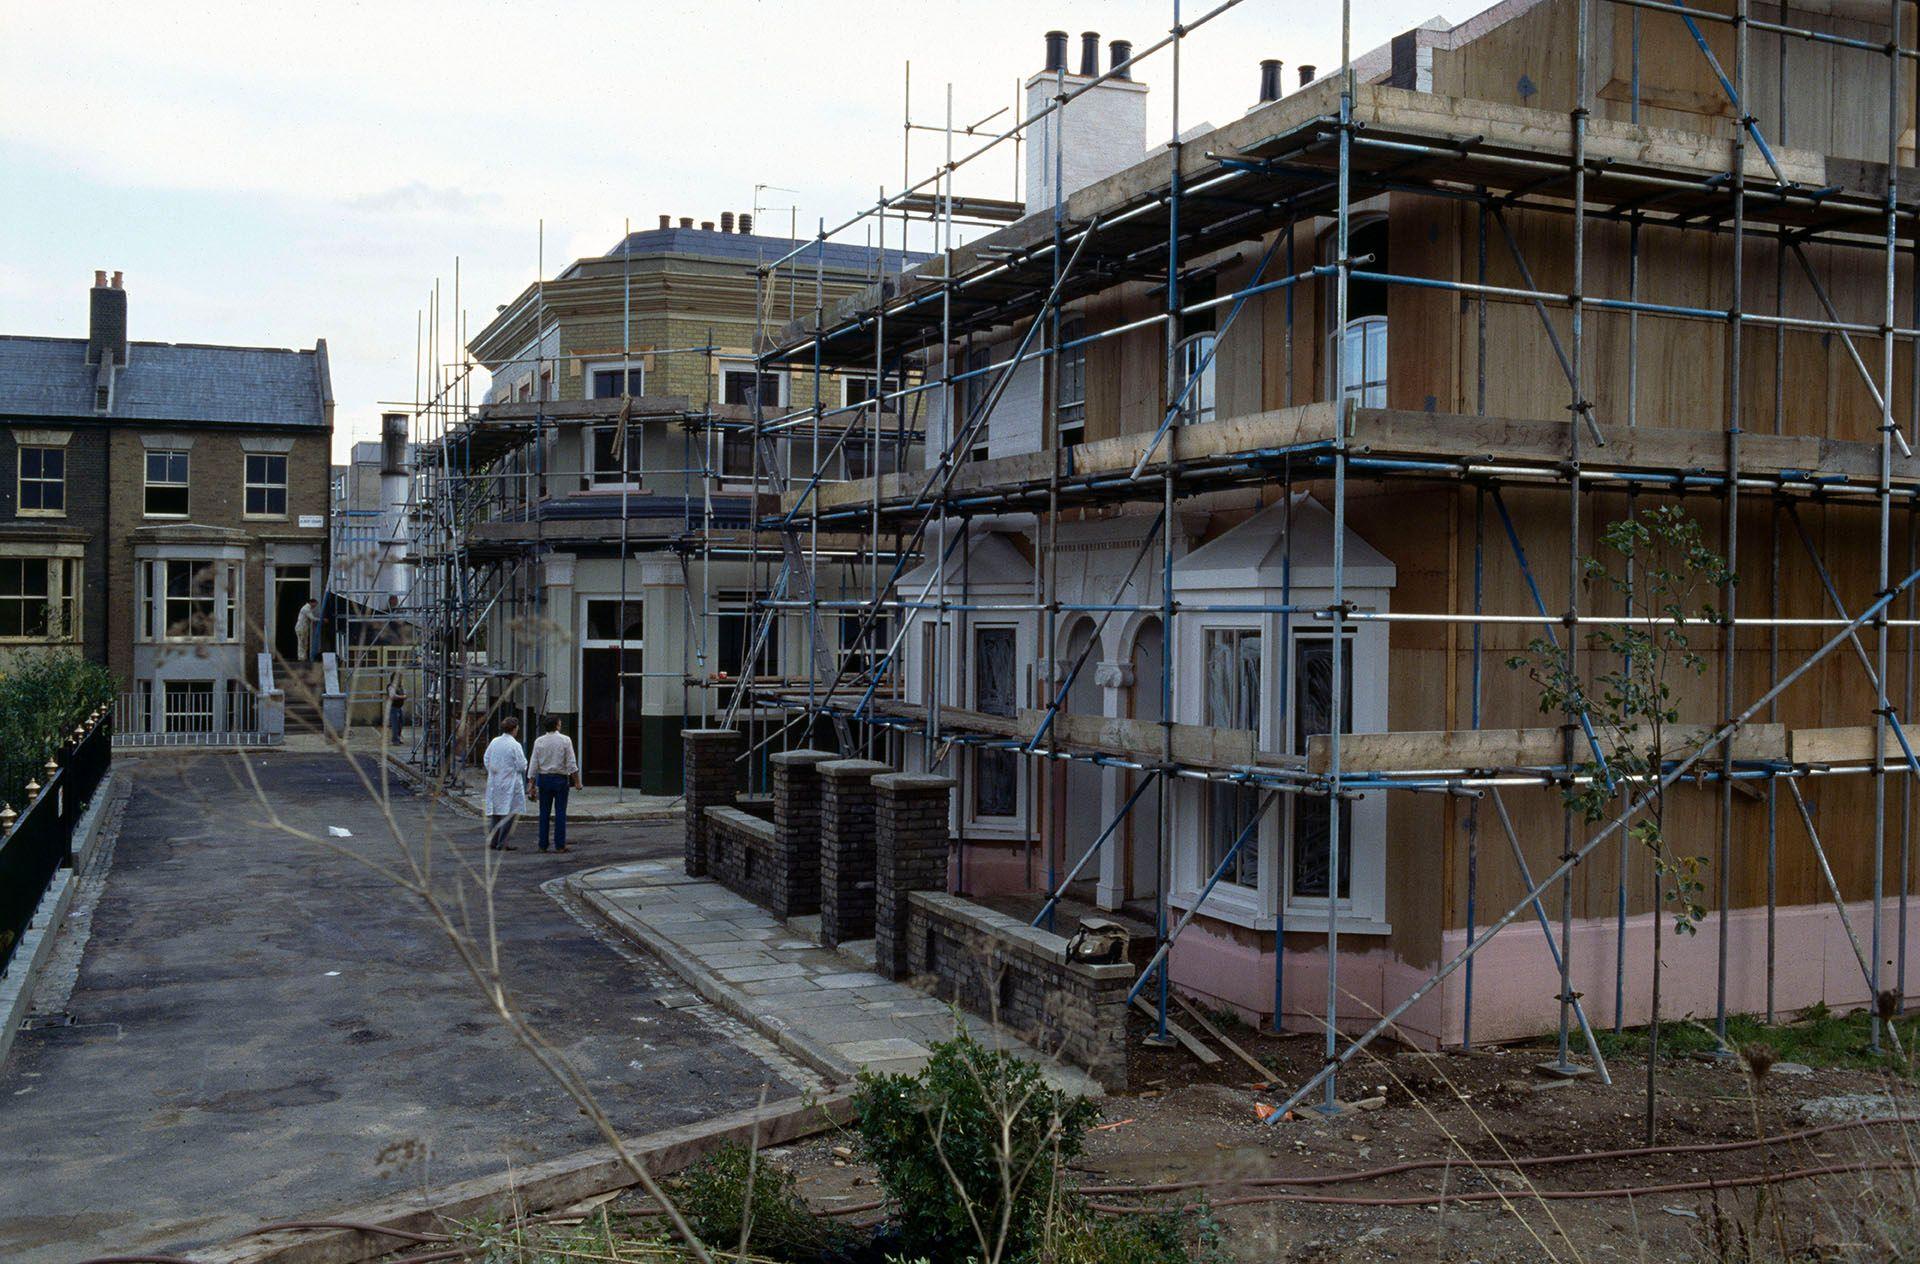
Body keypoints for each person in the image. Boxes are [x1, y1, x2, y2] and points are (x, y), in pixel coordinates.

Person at [527, 716, 582, 854]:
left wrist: (531, 784)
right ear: (557, 725)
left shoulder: (539, 741)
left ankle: (543, 845)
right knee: (560, 812)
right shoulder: (565, 740)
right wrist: (577, 781)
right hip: (560, 779)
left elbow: (534, 763)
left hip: (544, 779)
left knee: (544, 812)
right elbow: (571, 763)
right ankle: (559, 845)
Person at [482, 716, 527, 851]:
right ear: (514, 729)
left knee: (496, 813)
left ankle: (493, 840)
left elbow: (486, 758)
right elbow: (521, 765)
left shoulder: (495, 741)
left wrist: (493, 769)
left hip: (495, 781)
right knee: (509, 813)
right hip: (510, 783)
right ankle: (503, 842)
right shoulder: (515, 745)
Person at [294, 597, 320, 662]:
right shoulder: (306, 609)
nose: (315, 606)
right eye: (315, 604)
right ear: (311, 603)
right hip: (301, 627)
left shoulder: (308, 608)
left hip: (304, 627)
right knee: (301, 642)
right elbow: (312, 618)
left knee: (304, 642)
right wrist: (321, 619)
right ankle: (301, 657)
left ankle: (303, 657)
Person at [386, 672, 408, 743]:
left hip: (399, 707)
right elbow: (393, 696)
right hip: (393, 707)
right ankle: (395, 740)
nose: (400, 680)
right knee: (395, 724)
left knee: (400, 724)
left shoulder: (400, 686)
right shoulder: (391, 686)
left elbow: (405, 695)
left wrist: (403, 696)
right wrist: (402, 697)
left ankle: (398, 738)